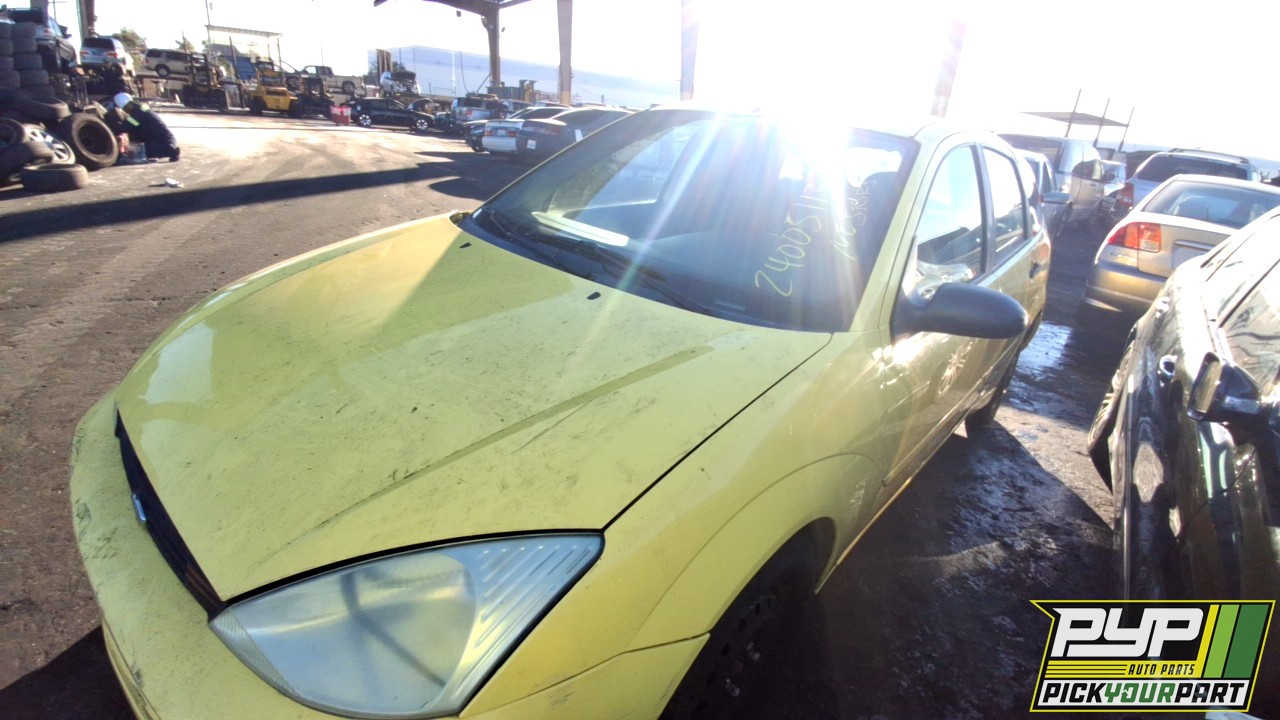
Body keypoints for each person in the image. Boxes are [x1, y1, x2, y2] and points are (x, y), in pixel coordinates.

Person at [113, 92, 181, 162]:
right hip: (163, 140)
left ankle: (172, 152)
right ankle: (164, 150)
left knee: (138, 152)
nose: (124, 111)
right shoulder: (141, 108)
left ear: (127, 106)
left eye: (124, 108)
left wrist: (116, 125)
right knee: (138, 148)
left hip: (165, 143)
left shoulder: (137, 113)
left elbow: (125, 128)